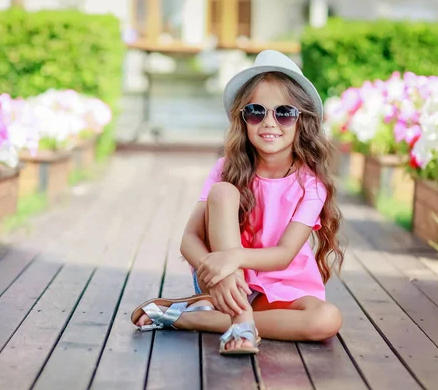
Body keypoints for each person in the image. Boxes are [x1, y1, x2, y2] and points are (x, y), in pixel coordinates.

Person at [130, 50, 345, 355]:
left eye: (283, 112)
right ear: (243, 120)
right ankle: (239, 321)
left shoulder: (311, 184)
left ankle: (201, 319)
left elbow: (284, 255)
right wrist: (216, 267)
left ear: (302, 121)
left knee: (327, 319)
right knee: (223, 192)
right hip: (227, 284)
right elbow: (188, 241)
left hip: (282, 287)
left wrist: (234, 257)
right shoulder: (225, 169)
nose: (269, 122)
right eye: (257, 112)